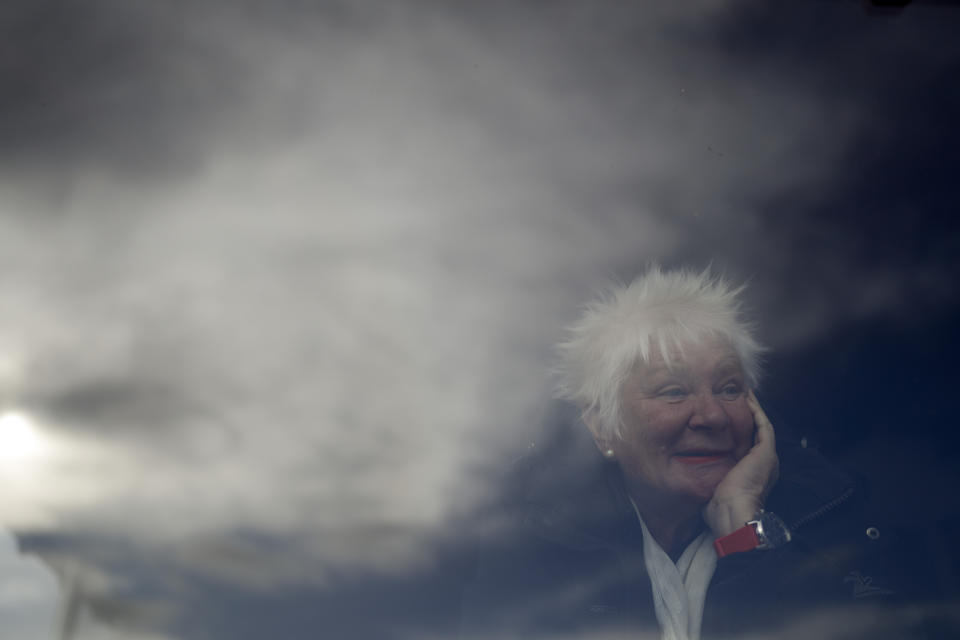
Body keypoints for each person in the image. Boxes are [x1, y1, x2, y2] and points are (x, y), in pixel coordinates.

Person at [460, 267, 951, 640]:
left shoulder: (828, 518)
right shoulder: (534, 536)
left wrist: (745, 533)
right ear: (603, 426)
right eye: (673, 392)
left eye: (730, 387)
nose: (711, 415)